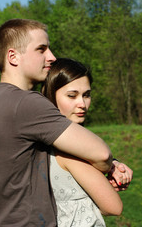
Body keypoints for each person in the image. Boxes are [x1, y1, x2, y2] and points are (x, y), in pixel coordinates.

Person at [0, 18, 114, 227]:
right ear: (13, 56)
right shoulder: (27, 103)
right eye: (41, 49)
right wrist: (112, 168)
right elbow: (101, 153)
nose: (51, 57)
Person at [42, 58, 124, 226]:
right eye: (72, 95)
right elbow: (114, 207)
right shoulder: (70, 150)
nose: (82, 104)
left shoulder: (40, 142)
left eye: (86, 95)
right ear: (51, 95)